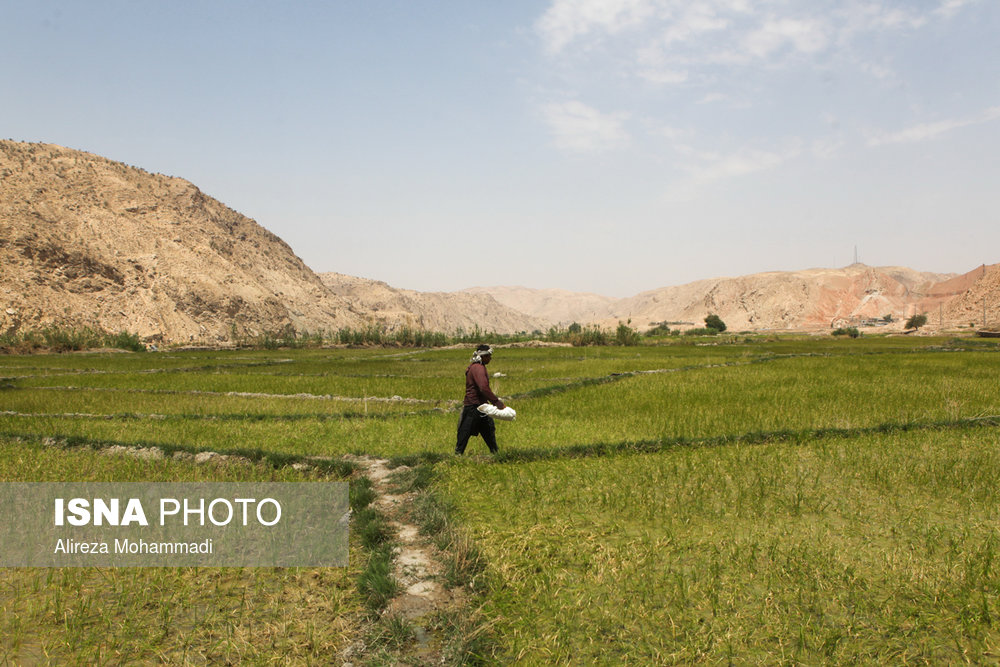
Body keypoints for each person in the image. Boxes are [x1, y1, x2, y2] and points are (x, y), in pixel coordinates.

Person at [455, 344, 505, 455]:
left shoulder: (475, 367)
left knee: (488, 430)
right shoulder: (478, 369)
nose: (490, 358)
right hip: (474, 406)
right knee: (465, 432)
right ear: (483, 356)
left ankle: (496, 454)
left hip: (481, 406)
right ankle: (458, 455)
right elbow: (483, 388)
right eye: (489, 356)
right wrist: (496, 402)